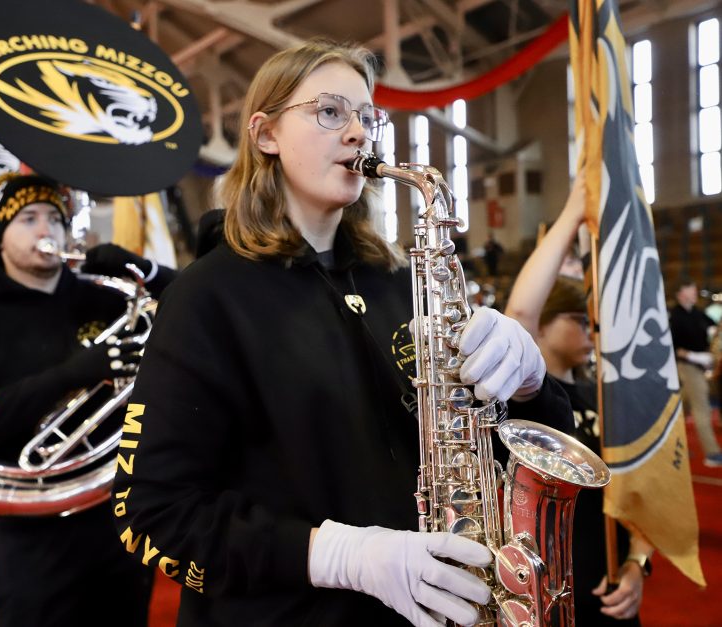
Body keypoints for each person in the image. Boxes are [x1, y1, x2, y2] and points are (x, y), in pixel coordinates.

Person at [111, 38, 572, 626]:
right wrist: (335, 555)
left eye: (367, 116)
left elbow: (502, 449)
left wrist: (532, 386)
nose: (358, 133)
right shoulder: (205, 297)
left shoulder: (403, 285)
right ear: (265, 134)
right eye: (330, 111)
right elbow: (153, 512)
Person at [0, 173, 174, 627]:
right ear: (0, 237)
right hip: (31, 529)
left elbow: (202, 308)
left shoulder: (101, 296)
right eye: (28, 218)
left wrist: (149, 272)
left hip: (117, 514)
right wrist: (73, 374)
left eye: (55, 219)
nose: (46, 230)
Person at [505, 169, 654, 624]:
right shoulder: (524, 396)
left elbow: (638, 497)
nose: (591, 330)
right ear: (544, 326)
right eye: (576, 317)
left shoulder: (602, 396)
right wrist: (573, 211)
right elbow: (518, 314)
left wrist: (638, 566)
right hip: (545, 590)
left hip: (606, 586)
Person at [669, 279, 722, 467]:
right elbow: (673, 347)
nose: (694, 292)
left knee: (679, 408)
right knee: (702, 407)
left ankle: (672, 446)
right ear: (680, 293)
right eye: (690, 288)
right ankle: (712, 454)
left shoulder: (697, 312)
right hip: (686, 366)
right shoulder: (675, 316)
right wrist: (695, 356)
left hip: (699, 366)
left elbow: (712, 326)